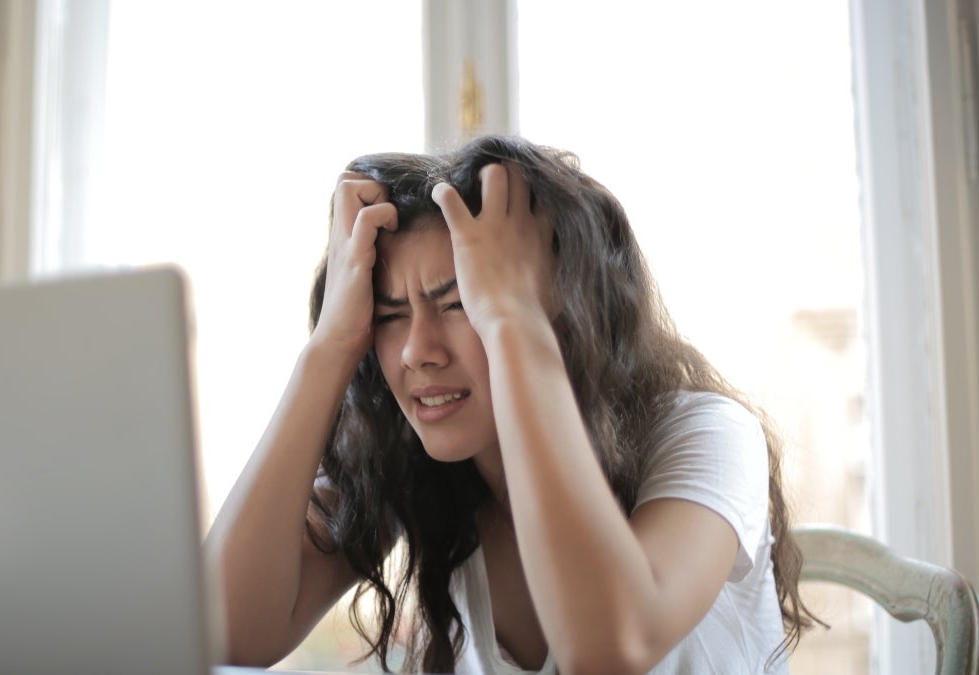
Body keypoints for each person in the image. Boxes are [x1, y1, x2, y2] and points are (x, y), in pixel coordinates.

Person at [205, 135, 816, 674]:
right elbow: (227, 629)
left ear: (563, 307)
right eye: (389, 316)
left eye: (461, 303)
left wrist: (514, 322)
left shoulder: (708, 433)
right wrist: (330, 345)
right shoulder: (417, 465)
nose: (418, 350)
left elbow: (611, 647)